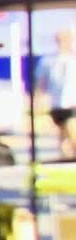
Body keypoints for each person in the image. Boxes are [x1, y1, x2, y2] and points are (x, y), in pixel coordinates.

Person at [39, 28, 76, 160]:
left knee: (72, 130)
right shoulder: (49, 61)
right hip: (57, 102)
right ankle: (65, 158)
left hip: (72, 101)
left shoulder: (73, 59)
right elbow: (41, 82)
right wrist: (40, 101)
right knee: (63, 134)